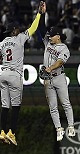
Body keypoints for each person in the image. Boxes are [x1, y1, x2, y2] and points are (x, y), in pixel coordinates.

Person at [0, 1, 46, 145]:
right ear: (13, 31)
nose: (19, 30)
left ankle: (1, 132)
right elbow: (33, 27)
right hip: (14, 74)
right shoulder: (19, 38)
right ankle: (11, 133)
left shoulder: (1, 43)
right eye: (17, 29)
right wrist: (39, 13)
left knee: (4, 106)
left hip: (2, 73)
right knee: (16, 106)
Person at [38, 17, 75, 141]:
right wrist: (42, 14)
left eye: (52, 36)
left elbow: (60, 62)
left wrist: (50, 68)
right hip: (48, 79)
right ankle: (59, 129)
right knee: (52, 106)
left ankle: (71, 126)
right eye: (49, 36)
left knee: (65, 103)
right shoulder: (47, 43)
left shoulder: (64, 49)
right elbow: (41, 28)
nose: (49, 37)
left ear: (58, 36)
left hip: (59, 77)